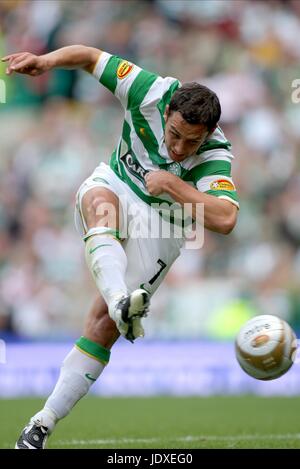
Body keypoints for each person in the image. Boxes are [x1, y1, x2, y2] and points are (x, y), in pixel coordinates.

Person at [2, 45, 239, 449]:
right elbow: (90, 57)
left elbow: (226, 219)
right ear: (166, 113)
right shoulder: (147, 89)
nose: (180, 148)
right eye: (175, 135)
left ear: (209, 135)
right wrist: (46, 62)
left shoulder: (216, 153)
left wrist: (174, 184)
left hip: (164, 223)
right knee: (101, 208)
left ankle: (42, 422)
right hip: (115, 183)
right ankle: (120, 299)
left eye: (191, 142)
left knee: (102, 326)